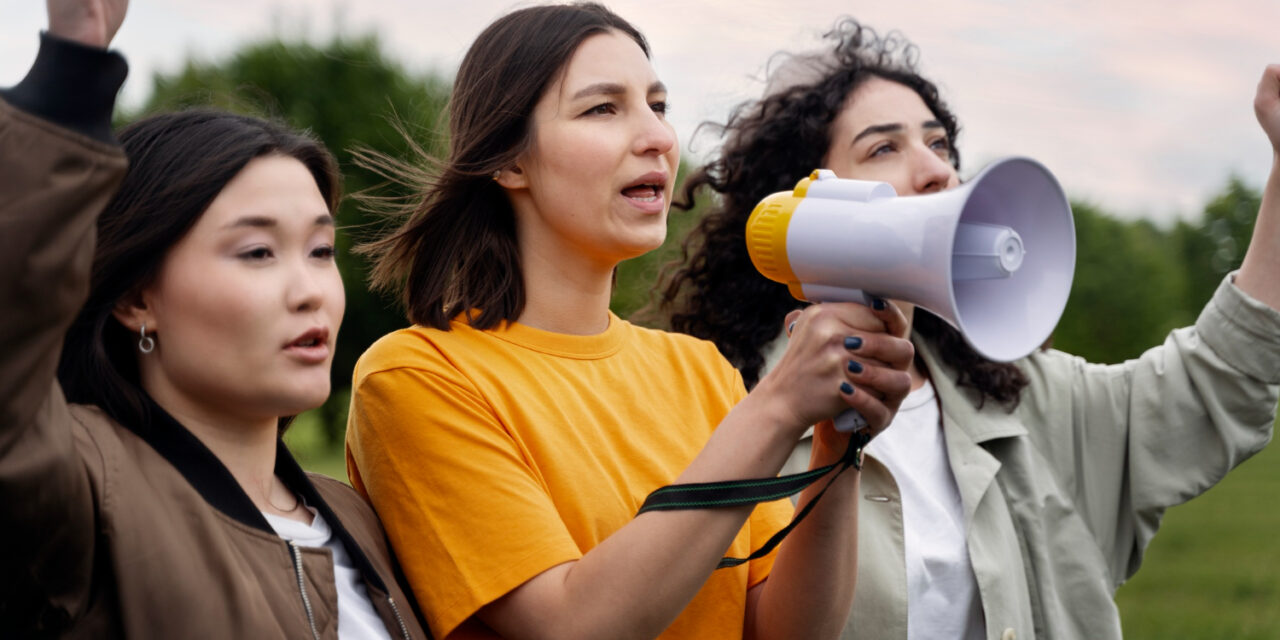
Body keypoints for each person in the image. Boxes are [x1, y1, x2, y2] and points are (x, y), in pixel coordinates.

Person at [656, 18, 1280, 640]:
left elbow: (1214, 385)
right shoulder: (725, 406)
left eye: (939, 145)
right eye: (884, 147)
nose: (936, 171)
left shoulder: (1018, 396)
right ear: (805, 200)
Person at [343, 4, 916, 639]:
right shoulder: (417, 377)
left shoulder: (698, 370)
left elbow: (785, 632)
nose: (659, 138)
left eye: (659, 106)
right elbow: (573, 625)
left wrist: (838, 439)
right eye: (602, 109)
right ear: (509, 162)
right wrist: (778, 407)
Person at [0, 2, 429, 637]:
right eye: (257, 252)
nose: (310, 290)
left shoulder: (355, 515)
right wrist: (70, 68)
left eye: (320, 251)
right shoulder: (84, 486)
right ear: (136, 299)